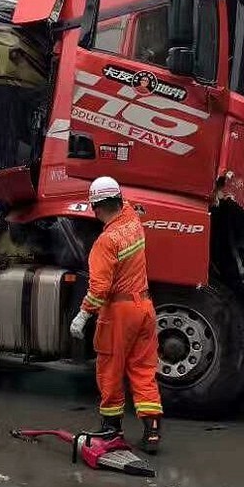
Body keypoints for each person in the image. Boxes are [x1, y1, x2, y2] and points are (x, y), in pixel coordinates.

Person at [68, 176, 163, 454]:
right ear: (119, 200)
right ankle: (152, 431)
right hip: (144, 307)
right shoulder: (133, 220)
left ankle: (112, 427)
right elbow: (128, 203)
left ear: (96, 207)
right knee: (143, 369)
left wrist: (83, 316)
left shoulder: (105, 242)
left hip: (119, 311)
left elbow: (99, 289)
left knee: (109, 368)